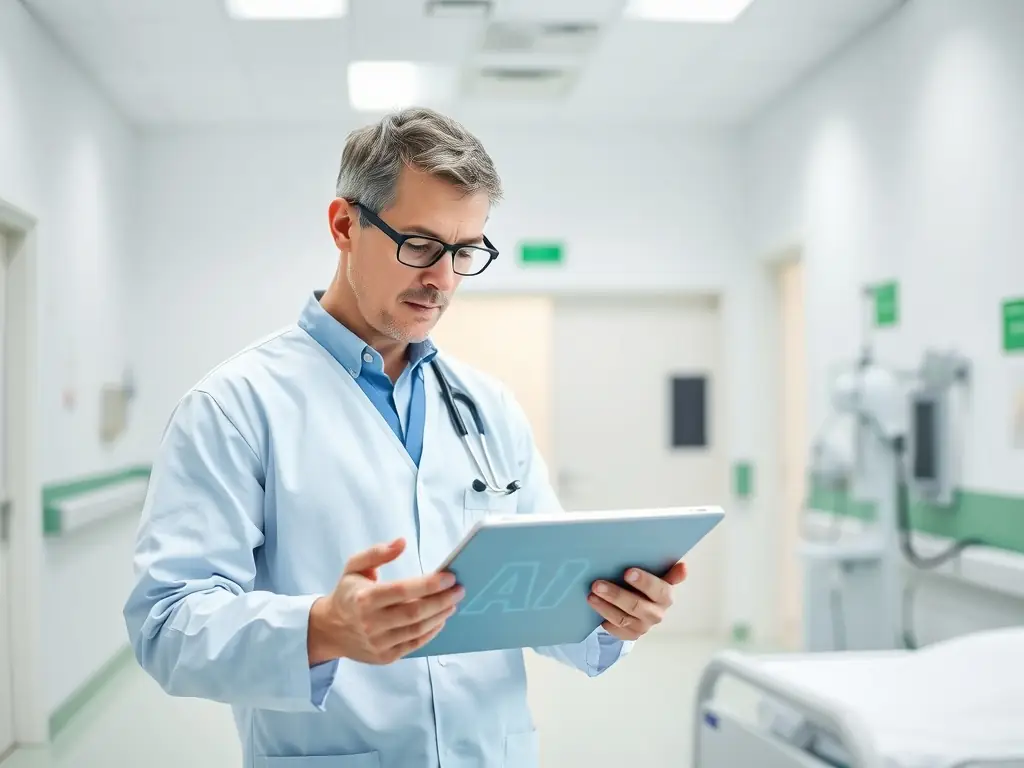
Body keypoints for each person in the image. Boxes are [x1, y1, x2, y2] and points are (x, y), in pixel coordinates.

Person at [123, 107, 689, 768]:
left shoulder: (488, 407)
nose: (443, 278)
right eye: (419, 245)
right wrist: (321, 628)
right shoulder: (235, 407)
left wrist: (608, 612)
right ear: (344, 225)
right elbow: (166, 626)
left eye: (466, 251)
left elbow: (543, 597)